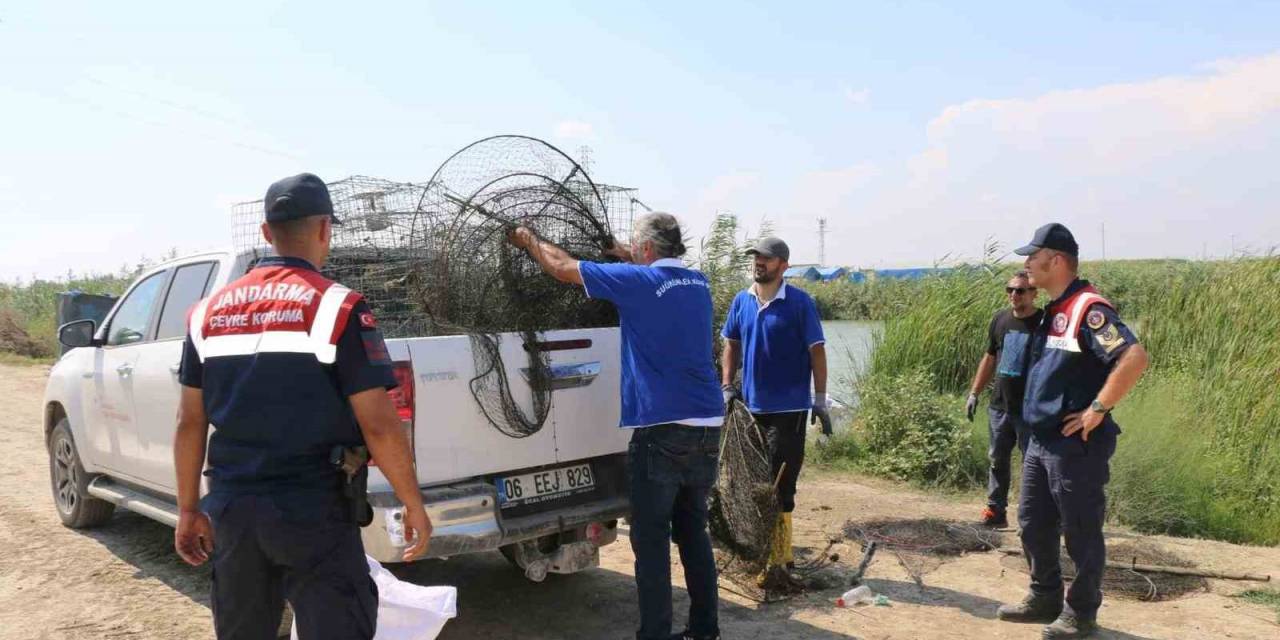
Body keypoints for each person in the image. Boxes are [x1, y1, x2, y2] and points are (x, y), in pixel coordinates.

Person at [173, 173, 433, 640]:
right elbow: (379, 425)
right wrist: (412, 503)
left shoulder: (205, 313)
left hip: (233, 509)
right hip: (313, 511)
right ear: (325, 229)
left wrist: (189, 509)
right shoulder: (339, 308)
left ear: (267, 233)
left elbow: (190, 422)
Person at [507, 212, 724, 640]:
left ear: (645, 250)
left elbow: (561, 267)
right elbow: (653, 273)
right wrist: (626, 256)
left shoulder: (636, 283)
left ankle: (655, 634)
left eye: (634, 248)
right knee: (693, 532)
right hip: (707, 425)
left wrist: (529, 240)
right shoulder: (698, 283)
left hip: (661, 431)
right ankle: (705, 630)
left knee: (650, 540)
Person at [995, 223, 1149, 639]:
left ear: (1057, 260)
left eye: (1033, 256)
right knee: (1031, 522)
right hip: (1041, 440)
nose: (1027, 263)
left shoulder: (1088, 307)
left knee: (1080, 529)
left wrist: (1098, 408)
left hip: (1074, 446)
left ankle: (1081, 614)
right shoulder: (1056, 308)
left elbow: (1133, 357)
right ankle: (1044, 596)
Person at [719, 236, 829, 580]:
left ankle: (780, 559)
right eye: (756, 257)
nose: (758, 263)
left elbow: (817, 351)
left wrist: (821, 398)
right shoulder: (742, 300)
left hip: (789, 411)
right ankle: (762, 551)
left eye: (765, 258)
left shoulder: (799, 303)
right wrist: (726, 386)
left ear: (783, 264)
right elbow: (731, 344)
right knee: (751, 484)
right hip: (750, 410)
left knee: (781, 487)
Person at [965, 270, 1044, 528]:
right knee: (997, 459)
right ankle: (996, 510)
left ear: (1034, 293)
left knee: (1032, 464)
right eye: (1009, 289)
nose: (1014, 295)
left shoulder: (1045, 323)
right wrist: (974, 393)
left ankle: (1033, 516)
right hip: (1000, 406)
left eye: (1020, 290)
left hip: (1030, 410)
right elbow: (989, 358)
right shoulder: (1000, 319)